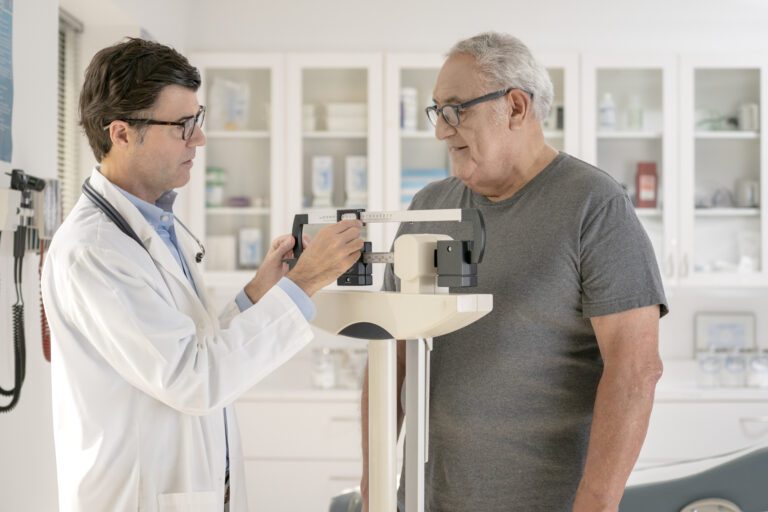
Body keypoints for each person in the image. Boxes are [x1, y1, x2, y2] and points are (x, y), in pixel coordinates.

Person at [41, 38, 363, 512]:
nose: (200, 139)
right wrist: (304, 283)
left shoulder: (150, 225)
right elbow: (194, 379)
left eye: (198, 119)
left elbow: (192, 348)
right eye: (183, 126)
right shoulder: (94, 252)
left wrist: (258, 293)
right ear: (122, 134)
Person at [360, 32, 668, 512]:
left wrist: (595, 505)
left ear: (517, 108)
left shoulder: (593, 205)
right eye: (437, 112)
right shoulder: (429, 207)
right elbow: (391, 357)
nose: (441, 131)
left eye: (455, 110)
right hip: (428, 499)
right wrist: (374, 482)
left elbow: (635, 371)